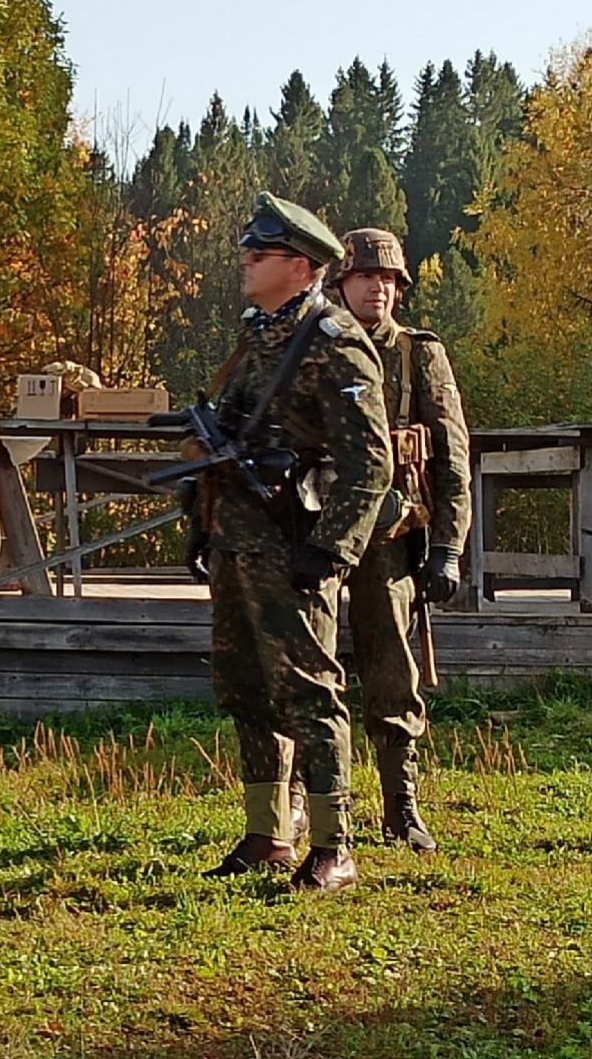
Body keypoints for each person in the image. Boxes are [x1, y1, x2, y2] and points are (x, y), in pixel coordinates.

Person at [189, 192, 392, 894]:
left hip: (296, 547)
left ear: (301, 267)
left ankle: (334, 846)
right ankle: (267, 833)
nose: (245, 260)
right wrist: (201, 523)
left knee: (309, 693)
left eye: (260, 253)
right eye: (247, 249)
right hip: (237, 542)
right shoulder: (257, 337)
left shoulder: (333, 341)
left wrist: (331, 551)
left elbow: (371, 464)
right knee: (245, 688)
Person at [330, 227, 470, 852]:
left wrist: (447, 548)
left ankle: (400, 806)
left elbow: (453, 459)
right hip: (319, 532)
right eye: (365, 277)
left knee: (392, 669)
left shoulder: (419, 355)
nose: (377, 289)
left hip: (388, 540)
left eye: (387, 279)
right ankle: (313, 805)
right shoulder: (319, 349)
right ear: (342, 283)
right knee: (309, 669)